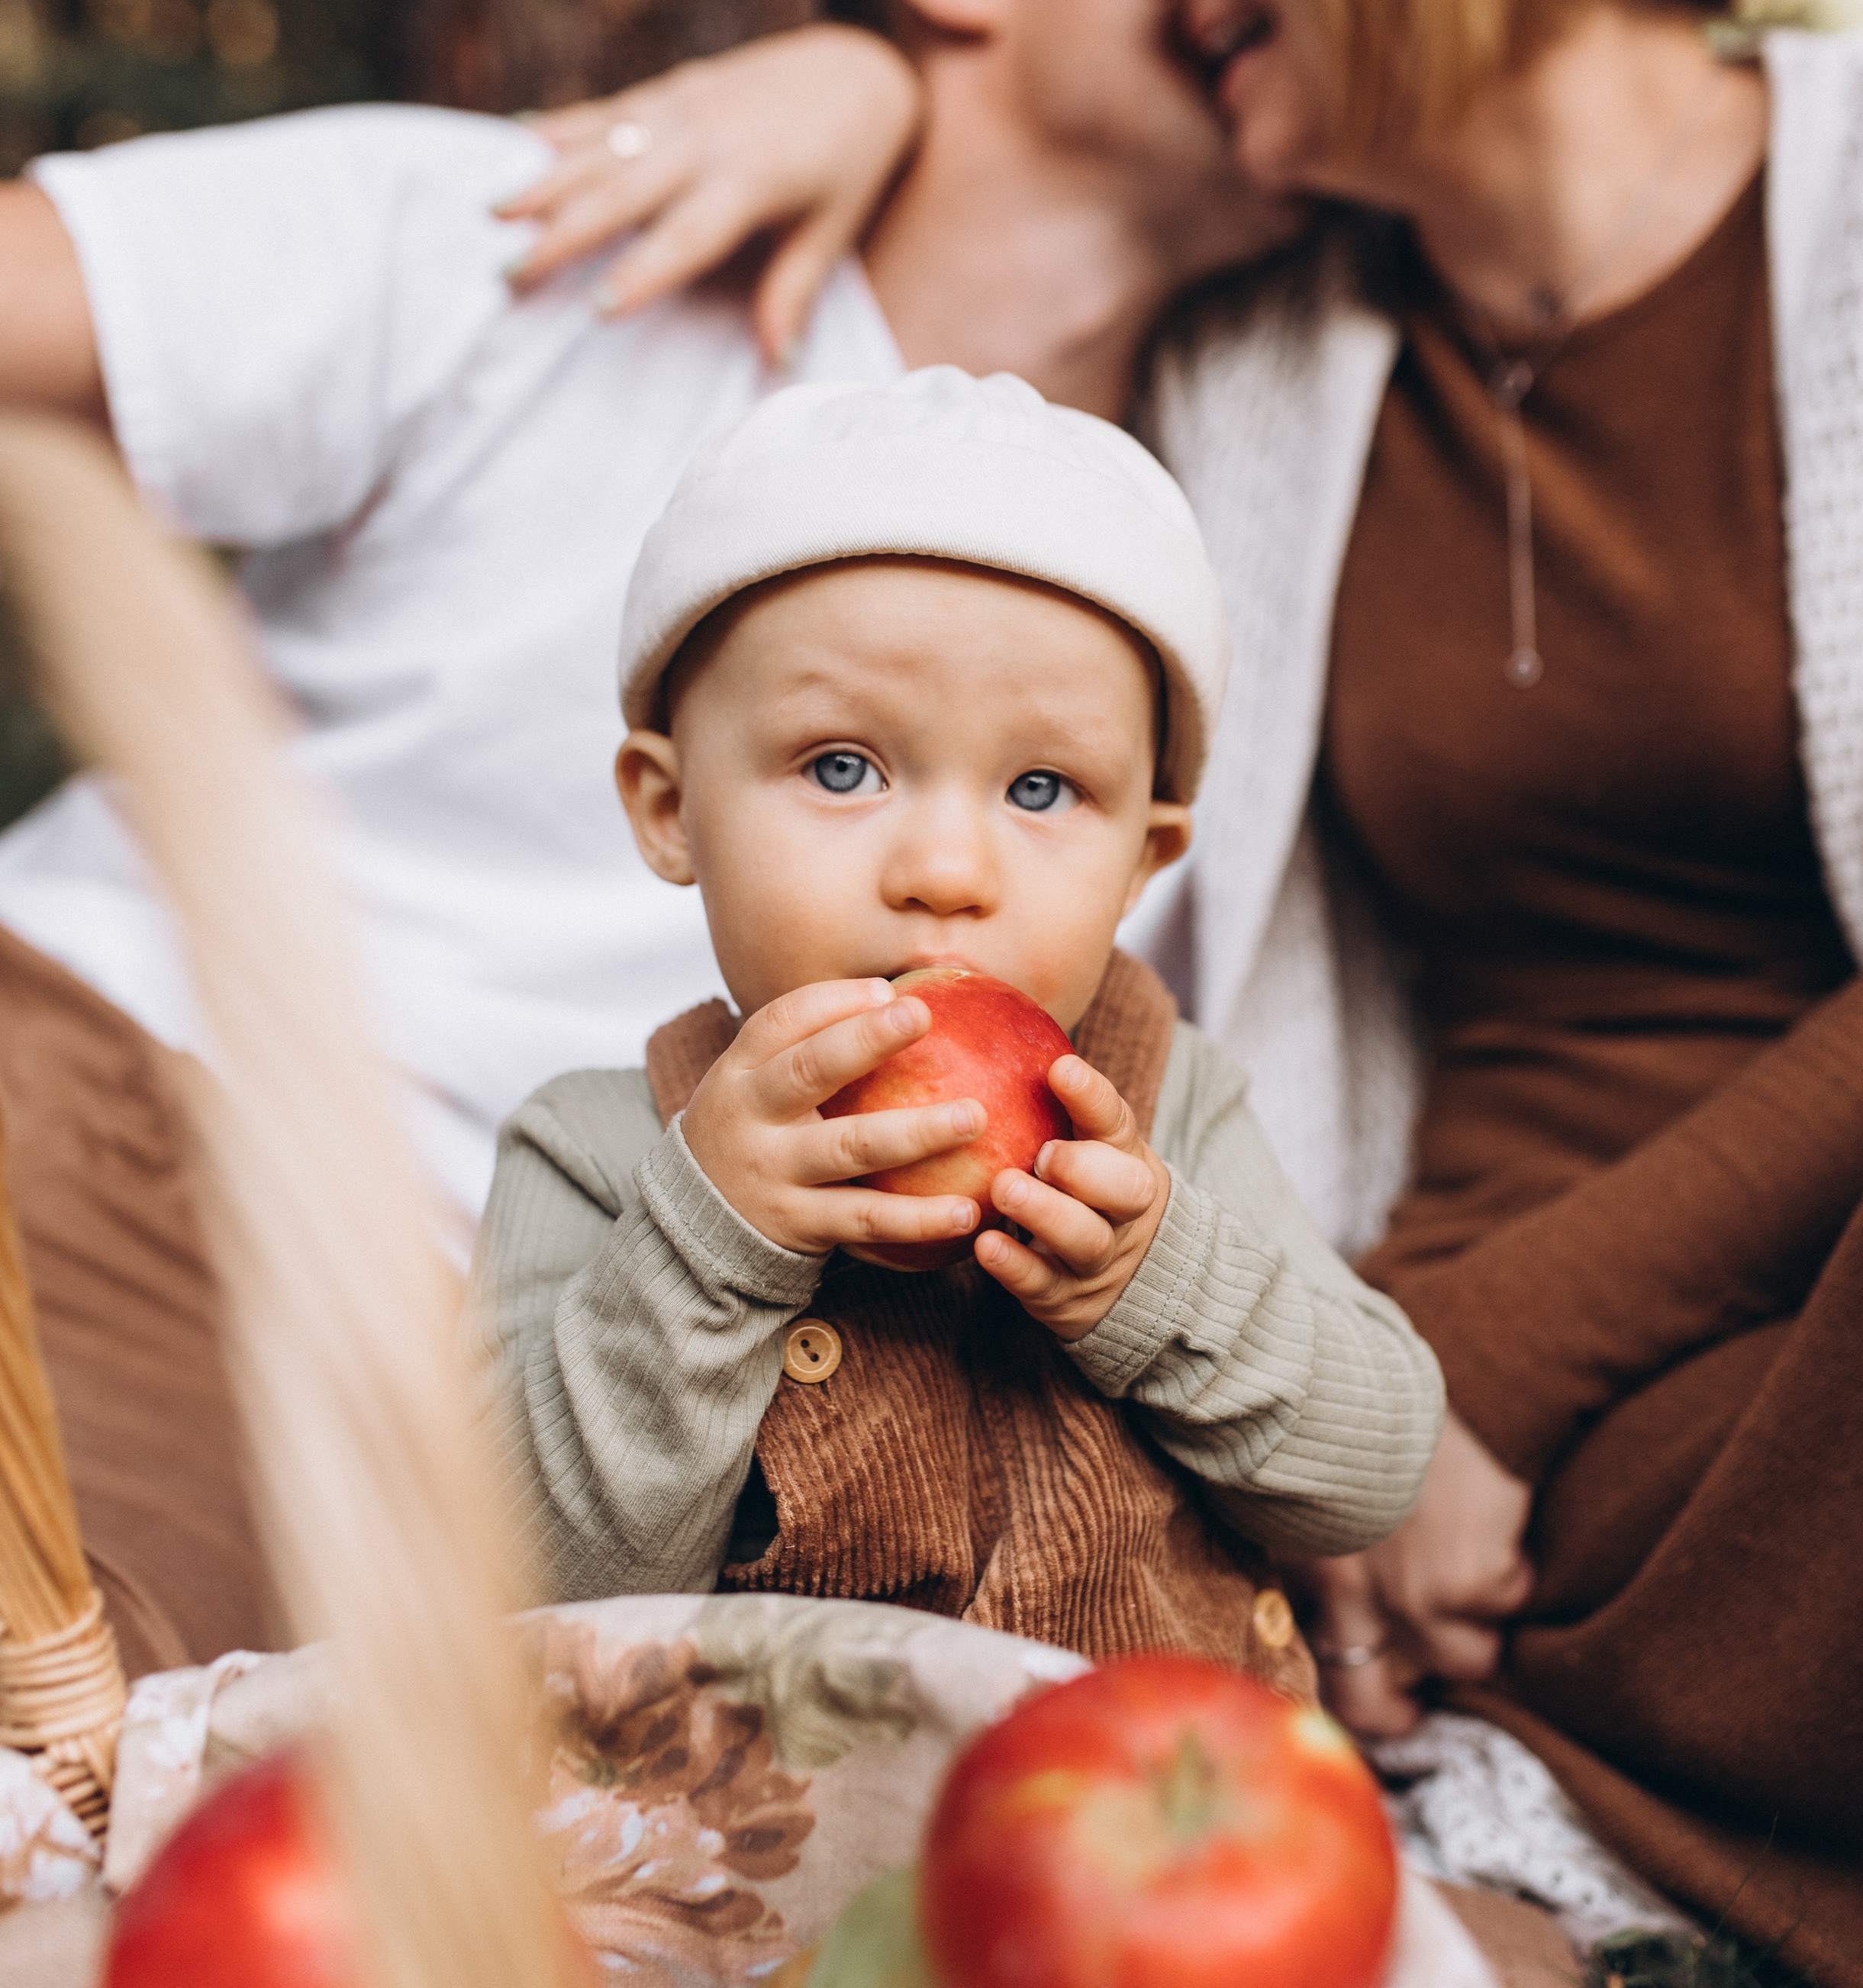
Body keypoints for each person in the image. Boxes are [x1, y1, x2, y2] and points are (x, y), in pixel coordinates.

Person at [504, 0, 1863, 1988]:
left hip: (1746, 1341)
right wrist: (853, 58)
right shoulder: (1259, 361)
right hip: (1396, 1407)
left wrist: (1470, 1372)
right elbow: (907, 502)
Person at [0, 0, 1291, 1672]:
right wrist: (851, 67)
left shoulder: (1282, 493)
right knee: (96, 1731)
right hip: (138, 1091)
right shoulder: (551, 231)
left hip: (610, 1366)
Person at [474, 366, 1441, 1659]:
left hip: (1152, 1822)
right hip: (767, 1846)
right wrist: (707, 1245)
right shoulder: (596, 1150)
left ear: (1142, 869)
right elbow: (517, 1588)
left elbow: (1371, 1473)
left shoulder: (1170, 1112)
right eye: (841, 766)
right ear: (669, 809)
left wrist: (1154, 1280)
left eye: (1040, 790)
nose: (947, 870)